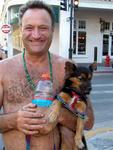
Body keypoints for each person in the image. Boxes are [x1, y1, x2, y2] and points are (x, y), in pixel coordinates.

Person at [0, 1, 94, 150]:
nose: (36, 35)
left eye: (43, 28)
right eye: (29, 28)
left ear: (52, 30)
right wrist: (14, 120)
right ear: (21, 30)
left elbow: (88, 123)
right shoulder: (3, 69)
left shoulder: (67, 68)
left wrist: (60, 115)